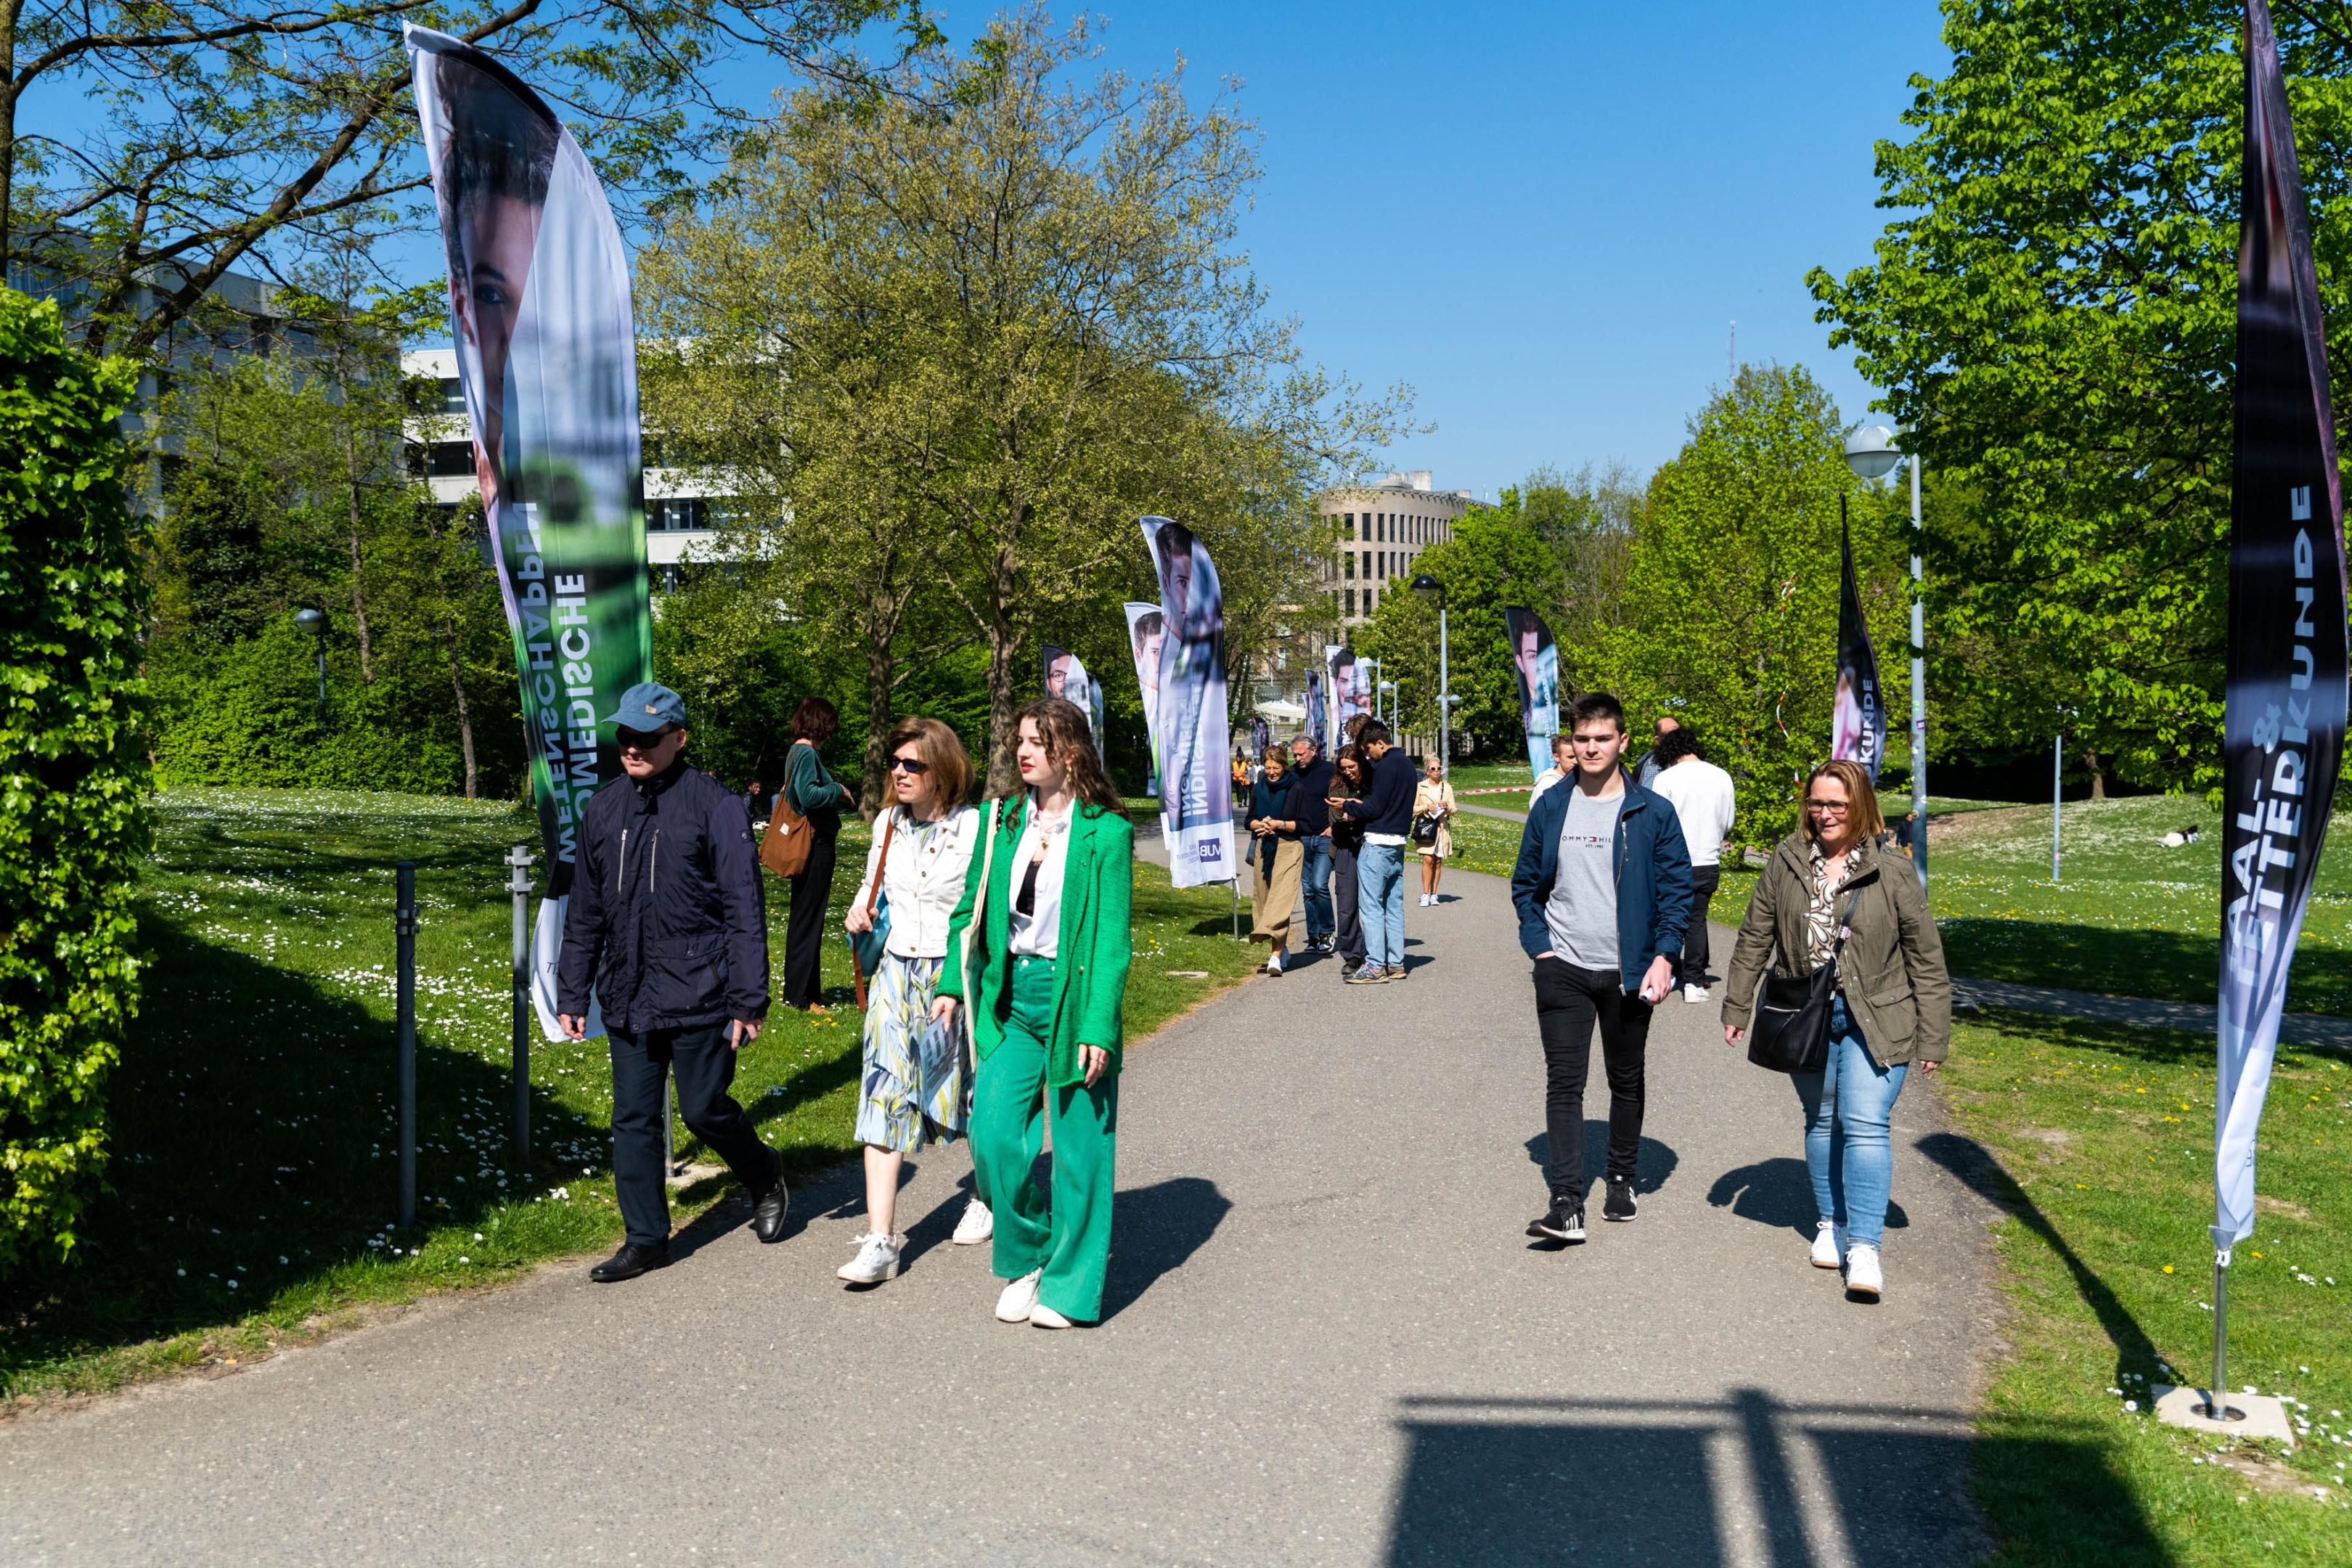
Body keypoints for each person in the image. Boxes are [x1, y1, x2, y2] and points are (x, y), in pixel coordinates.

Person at [556, 682, 789, 1283]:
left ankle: (763, 1173)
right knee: (633, 1117)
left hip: (701, 989)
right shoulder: (603, 808)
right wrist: (572, 990)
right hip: (629, 992)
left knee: (703, 1109)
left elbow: (744, 906)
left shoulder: (716, 805)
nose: (632, 747)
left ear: (679, 739)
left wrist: (748, 998)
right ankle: (646, 1240)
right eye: (625, 736)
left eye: (647, 738)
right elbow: (585, 909)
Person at [934, 698, 1135, 1329]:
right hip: (1013, 999)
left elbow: (1110, 942)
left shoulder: (1106, 831)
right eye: (1020, 740)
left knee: (1079, 1155)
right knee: (992, 1135)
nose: (1022, 752)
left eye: (1037, 741)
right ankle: (1027, 1255)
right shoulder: (1002, 821)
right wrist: (951, 982)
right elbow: (970, 909)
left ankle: (1071, 1290)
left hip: (1073, 1003)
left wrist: (1099, 1023)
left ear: (1070, 752)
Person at [1720, 759, 1951, 1301]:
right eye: (1817, 803)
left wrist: (1934, 1035)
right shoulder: (1786, 860)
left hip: (1881, 1014)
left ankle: (1866, 1246)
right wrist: (1737, 1006)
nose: (1824, 814)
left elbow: (1926, 958)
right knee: (1822, 1118)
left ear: (1860, 808)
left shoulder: (1892, 870)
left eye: (1837, 805)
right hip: (1806, 1011)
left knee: (1866, 1122)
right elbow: (1756, 934)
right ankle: (1832, 1223)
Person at [1510, 692, 1692, 1245]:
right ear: (1573, 742)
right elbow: (1525, 884)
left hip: (1630, 972)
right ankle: (1566, 1202)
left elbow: (1677, 891)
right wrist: (1539, 946)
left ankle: (1620, 1176)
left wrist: (1664, 956)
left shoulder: (1652, 811)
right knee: (1564, 1083)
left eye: (1602, 739)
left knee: (1624, 1078)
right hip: (1562, 965)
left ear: (1623, 742)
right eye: (1583, 739)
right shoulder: (1551, 805)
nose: (1591, 748)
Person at [836, 716, 989, 1286]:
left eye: (913, 765)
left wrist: (960, 979)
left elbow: (981, 906)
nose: (899, 772)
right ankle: (882, 1241)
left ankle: (987, 1194)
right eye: (895, 763)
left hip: (955, 975)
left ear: (943, 770)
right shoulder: (886, 824)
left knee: (967, 1094)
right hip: (895, 974)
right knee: (884, 1094)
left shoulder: (976, 829)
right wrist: (859, 911)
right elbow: (873, 889)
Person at [1648, 727, 1739, 1002]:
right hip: (1707, 859)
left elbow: (1656, 823)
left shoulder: (1666, 778)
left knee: (1666, 916)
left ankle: (1663, 969)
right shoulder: (1722, 776)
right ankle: (1694, 981)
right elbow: (1729, 821)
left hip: (1672, 860)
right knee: (1696, 920)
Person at [780, 697, 854, 1012]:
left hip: (809, 845)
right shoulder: (807, 752)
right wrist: (838, 789)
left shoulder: (796, 750)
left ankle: (804, 993)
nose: (832, 732)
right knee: (809, 919)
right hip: (815, 845)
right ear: (822, 723)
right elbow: (809, 796)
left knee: (804, 917)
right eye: (830, 725)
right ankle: (800, 996)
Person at [1333, 720, 1414, 984]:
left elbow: (1376, 808)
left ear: (1381, 743)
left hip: (1378, 843)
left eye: (1369, 750)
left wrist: (1349, 806)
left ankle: (1376, 966)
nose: (1368, 756)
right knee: (1394, 907)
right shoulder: (1408, 765)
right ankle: (1396, 963)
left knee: (1371, 908)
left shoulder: (1386, 766)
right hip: (1398, 843)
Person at [1246, 748, 1307, 975]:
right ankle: (1283, 949)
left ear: (1284, 766)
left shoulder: (1296, 788)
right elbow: (1249, 820)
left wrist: (1279, 824)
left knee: (1281, 902)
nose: (1271, 772)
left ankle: (1275, 957)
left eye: (1276, 768)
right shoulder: (1258, 788)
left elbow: (1305, 825)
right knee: (1264, 900)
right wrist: (1259, 825)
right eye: (1268, 768)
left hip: (1289, 848)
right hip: (1265, 848)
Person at [1289, 736, 1336, 952]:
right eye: (1295, 755)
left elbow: (1340, 798)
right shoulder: (1291, 774)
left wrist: (1333, 826)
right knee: (1307, 890)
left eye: (1301, 754)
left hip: (1325, 836)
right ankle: (1314, 936)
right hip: (1303, 837)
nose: (1297, 758)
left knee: (1319, 884)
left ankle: (1327, 931)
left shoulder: (1330, 771)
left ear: (1314, 750)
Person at [1326, 744, 1370, 977]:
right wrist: (1356, 812)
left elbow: (1377, 812)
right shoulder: (1337, 785)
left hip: (1369, 843)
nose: (1348, 772)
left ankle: (1374, 952)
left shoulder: (1371, 783)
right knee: (1346, 902)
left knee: (1372, 903)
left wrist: (1351, 812)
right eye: (1343, 769)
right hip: (1344, 844)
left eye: (1351, 767)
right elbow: (1335, 819)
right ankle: (1352, 955)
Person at [1413, 756, 1457, 906]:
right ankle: (1425, 893)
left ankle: (1434, 894)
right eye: (1433, 769)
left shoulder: (1447, 787)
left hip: (1442, 829)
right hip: (1426, 828)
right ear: (1427, 771)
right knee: (1428, 859)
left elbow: (1454, 809)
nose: (1437, 771)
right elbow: (1413, 808)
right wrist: (1426, 807)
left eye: (1439, 768)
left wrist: (1447, 807)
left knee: (1437, 862)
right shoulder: (1420, 787)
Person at [1632, 714, 1681, 789]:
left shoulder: (1694, 763)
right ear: (1658, 740)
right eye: (1671, 735)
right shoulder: (1650, 765)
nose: (1677, 739)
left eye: (1679, 733)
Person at [1530, 731, 1573, 803]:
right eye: (1571, 757)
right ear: (1556, 757)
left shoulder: (1579, 781)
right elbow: (1540, 813)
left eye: (1578, 757)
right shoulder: (1547, 785)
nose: (1576, 761)